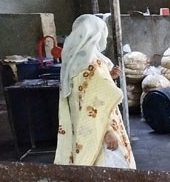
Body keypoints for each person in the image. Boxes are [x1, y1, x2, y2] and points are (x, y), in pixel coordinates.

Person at [54, 14, 136, 169]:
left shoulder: (72, 62)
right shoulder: (92, 63)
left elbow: (84, 92)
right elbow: (96, 101)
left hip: (83, 126)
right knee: (110, 169)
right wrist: (107, 131)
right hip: (100, 127)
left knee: (88, 167)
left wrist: (109, 77)